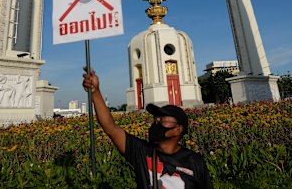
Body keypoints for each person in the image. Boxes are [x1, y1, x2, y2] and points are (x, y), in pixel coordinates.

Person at [82, 68, 213, 189]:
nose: (157, 122)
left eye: (163, 119)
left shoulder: (195, 162)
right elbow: (110, 127)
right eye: (156, 118)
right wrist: (95, 92)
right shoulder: (141, 152)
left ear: (178, 129)